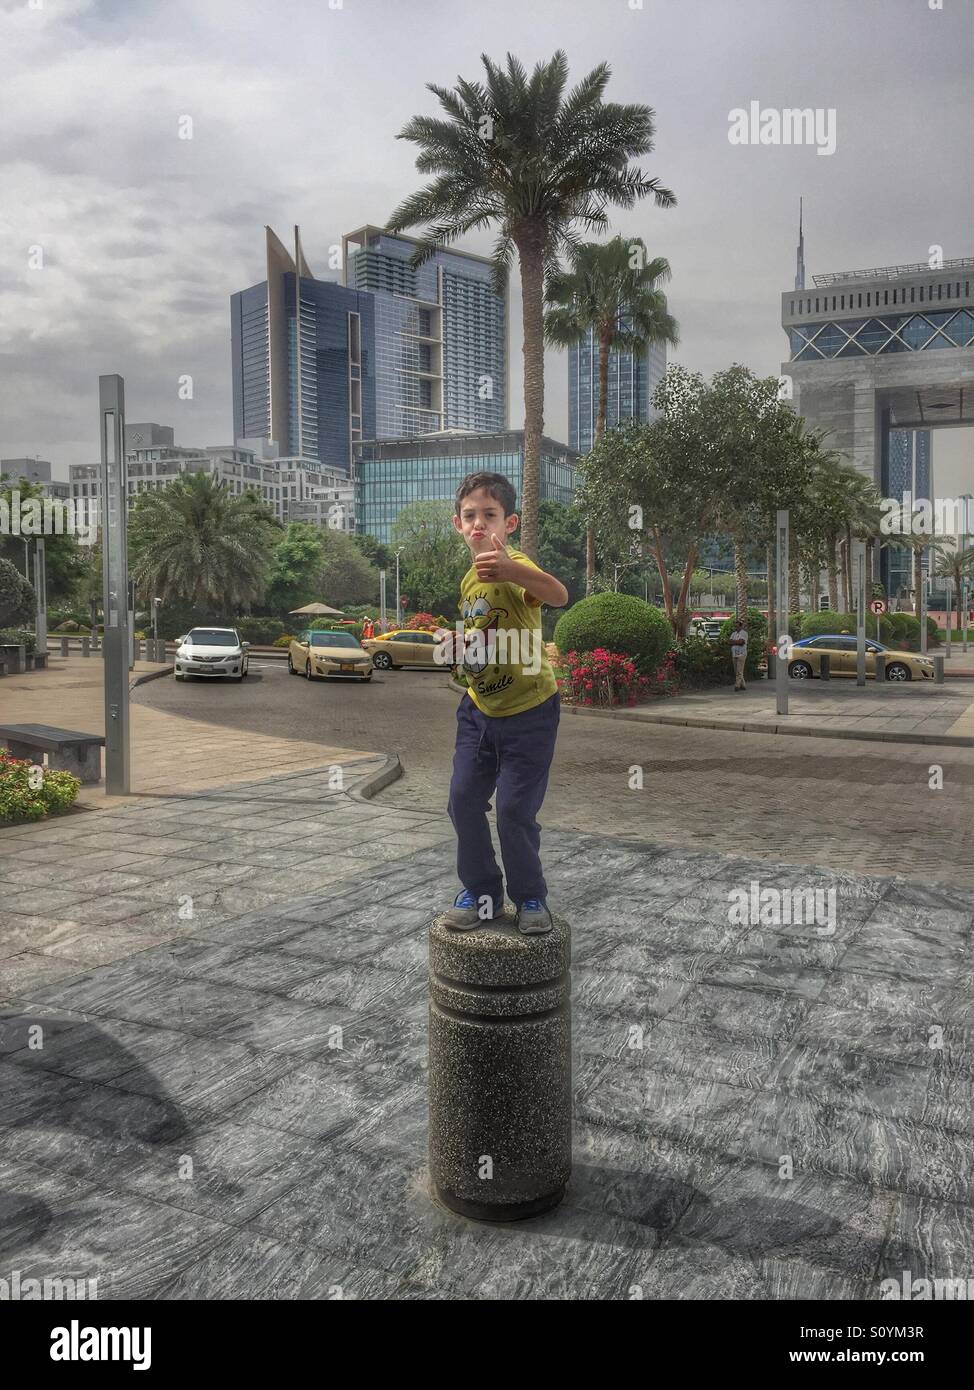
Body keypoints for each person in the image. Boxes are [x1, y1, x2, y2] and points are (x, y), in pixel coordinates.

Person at [437, 471, 569, 936]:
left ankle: (530, 896)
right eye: (469, 516)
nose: (478, 524)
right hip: (479, 711)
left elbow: (557, 595)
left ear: (508, 523)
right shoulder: (469, 578)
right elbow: (484, 638)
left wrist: (514, 569)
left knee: (513, 811)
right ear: (457, 524)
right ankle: (482, 892)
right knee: (462, 799)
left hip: (530, 712)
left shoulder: (513, 564)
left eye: (489, 516)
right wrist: (459, 644)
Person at [729, 618, 749, 691]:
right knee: (736, 670)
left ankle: (737, 685)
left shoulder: (744, 633)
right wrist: (736, 641)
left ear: (740, 626)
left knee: (739, 670)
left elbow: (742, 642)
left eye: (737, 626)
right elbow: (730, 642)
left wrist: (734, 642)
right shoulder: (733, 633)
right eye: (735, 626)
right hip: (734, 654)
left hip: (741, 654)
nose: (736, 627)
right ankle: (743, 685)